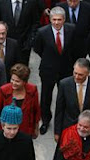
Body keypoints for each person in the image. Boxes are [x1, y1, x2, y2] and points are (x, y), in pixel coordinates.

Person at [34, 6, 75, 135]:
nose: (56, 23)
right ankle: (45, 121)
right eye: (54, 19)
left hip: (66, 69)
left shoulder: (71, 29)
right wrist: (48, 60)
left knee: (65, 96)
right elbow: (38, 49)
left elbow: (76, 47)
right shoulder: (42, 32)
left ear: (64, 20)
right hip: (48, 70)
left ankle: (64, 120)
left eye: (59, 20)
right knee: (46, 97)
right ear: (50, 19)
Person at [54, 58, 90, 141]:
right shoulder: (64, 84)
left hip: (88, 129)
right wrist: (57, 132)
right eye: (75, 73)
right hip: (69, 128)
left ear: (88, 73)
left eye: (81, 75)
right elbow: (59, 110)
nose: (77, 77)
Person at [0, 63, 40, 138]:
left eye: (17, 81)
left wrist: (36, 129)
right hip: (7, 131)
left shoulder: (32, 90)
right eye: (12, 79)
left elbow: (36, 111)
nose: (13, 83)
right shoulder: (3, 91)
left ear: (24, 82)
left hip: (25, 130)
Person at [0, 0, 41, 65]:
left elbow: (35, 23)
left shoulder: (31, 2)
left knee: (22, 72)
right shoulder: (0, 2)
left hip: (24, 46)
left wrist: (30, 42)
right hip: (4, 46)